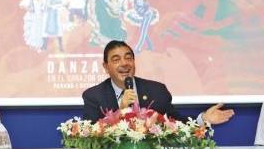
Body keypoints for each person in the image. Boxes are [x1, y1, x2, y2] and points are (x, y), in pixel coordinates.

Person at [82, 40, 235, 125]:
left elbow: (176, 124)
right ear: (106, 67)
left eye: (128, 58)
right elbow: (90, 135)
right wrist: (120, 110)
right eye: (116, 60)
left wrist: (203, 120)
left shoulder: (157, 90)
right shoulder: (94, 96)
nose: (124, 63)